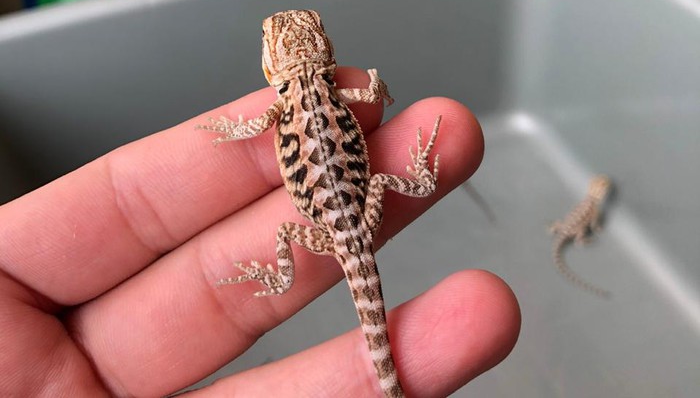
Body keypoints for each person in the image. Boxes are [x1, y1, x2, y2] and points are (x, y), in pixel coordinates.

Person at [0, 68, 520, 396]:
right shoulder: (337, 90)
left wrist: (233, 131)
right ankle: (420, 182)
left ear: (274, 63)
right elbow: (372, 91)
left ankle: (279, 280)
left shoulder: (282, 106)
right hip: (358, 220)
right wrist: (377, 88)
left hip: (331, 230)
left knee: (289, 233)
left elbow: (252, 128)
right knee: (379, 183)